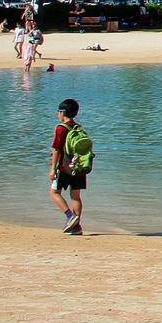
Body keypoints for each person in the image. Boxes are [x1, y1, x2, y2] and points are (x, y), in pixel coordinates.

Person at [48, 98, 89, 235]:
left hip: (63, 167)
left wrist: (52, 169)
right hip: (78, 166)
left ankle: (70, 216)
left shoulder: (61, 128)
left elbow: (57, 150)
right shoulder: (78, 128)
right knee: (76, 196)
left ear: (62, 113)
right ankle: (77, 227)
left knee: (54, 192)